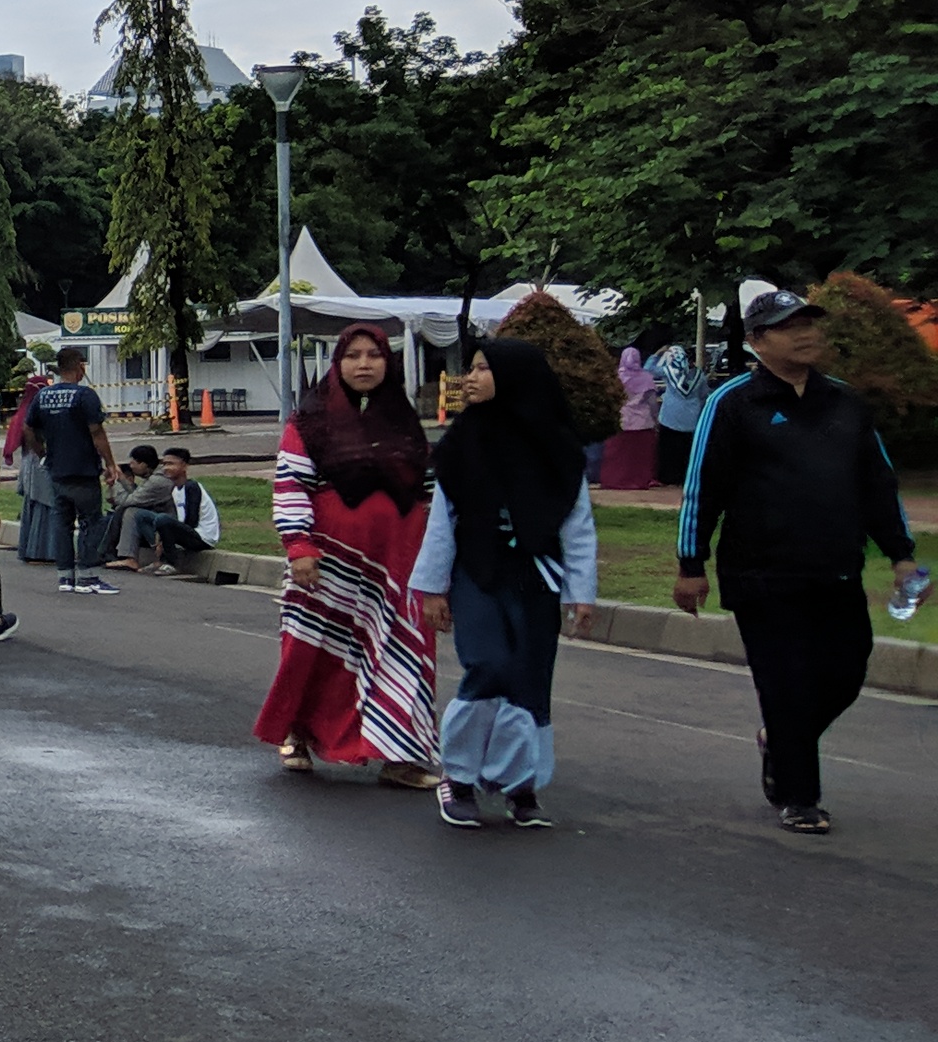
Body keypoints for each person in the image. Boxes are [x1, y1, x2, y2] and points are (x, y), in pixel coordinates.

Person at [675, 290, 922, 836]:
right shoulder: (734, 403)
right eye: (790, 327)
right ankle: (799, 796)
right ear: (757, 341)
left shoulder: (845, 402)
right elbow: (702, 488)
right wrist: (690, 564)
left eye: (810, 324)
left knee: (846, 672)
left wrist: (902, 556)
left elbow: (878, 483)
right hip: (760, 573)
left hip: (835, 567)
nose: (806, 335)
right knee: (785, 682)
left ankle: (779, 741)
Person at [413, 338, 601, 831]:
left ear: (516, 378)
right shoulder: (462, 443)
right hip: (477, 573)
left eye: (482, 369)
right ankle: (459, 777)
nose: (470, 378)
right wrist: (432, 588)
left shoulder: (559, 449)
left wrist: (581, 593)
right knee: (489, 664)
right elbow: (442, 522)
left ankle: (521, 784)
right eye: (471, 369)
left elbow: (577, 526)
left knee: (529, 678)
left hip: (537, 577)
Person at [253, 325, 438, 788]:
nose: (364, 364)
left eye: (374, 355)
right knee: (311, 650)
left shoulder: (405, 423)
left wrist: (437, 563)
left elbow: (429, 495)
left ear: (388, 362)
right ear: (338, 363)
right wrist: (299, 547)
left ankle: (399, 755)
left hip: (398, 564)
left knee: (401, 652)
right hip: (325, 562)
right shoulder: (309, 423)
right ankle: (297, 734)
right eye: (353, 356)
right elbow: (291, 484)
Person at [25, 347, 118, 595]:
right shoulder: (85, 395)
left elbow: (28, 429)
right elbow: (97, 432)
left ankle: (65, 576)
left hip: (57, 470)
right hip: (83, 469)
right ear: (79, 366)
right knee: (90, 521)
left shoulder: (43, 396)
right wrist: (110, 463)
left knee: (62, 523)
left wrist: (43, 455)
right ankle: (88, 577)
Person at [114, 447, 224, 575]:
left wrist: (167, 537)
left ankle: (172, 563)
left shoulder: (191, 487)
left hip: (202, 537)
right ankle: (159, 560)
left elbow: (191, 521)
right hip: (184, 531)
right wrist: (162, 537)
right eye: (164, 464)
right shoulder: (175, 489)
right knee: (141, 515)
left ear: (184, 466)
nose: (166, 468)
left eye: (171, 464)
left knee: (163, 519)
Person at [600, 344, 664, 491]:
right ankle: (639, 481)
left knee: (618, 455)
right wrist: (656, 419)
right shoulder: (646, 378)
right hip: (642, 422)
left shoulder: (615, 378)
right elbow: (652, 403)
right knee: (640, 456)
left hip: (620, 420)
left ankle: (615, 480)